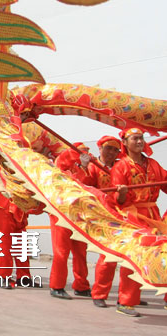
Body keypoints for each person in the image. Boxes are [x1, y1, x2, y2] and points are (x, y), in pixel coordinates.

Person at [105, 128, 167, 317]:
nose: (140, 142)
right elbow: (118, 201)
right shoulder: (121, 167)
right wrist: (121, 194)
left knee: (162, 255)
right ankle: (126, 301)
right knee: (134, 258)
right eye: (135, 139)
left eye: (141, 138)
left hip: (153, 215)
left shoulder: (153, 164)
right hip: (132, 216)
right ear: (125, 142)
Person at [49, 142, 94, 300]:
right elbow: (70, 181)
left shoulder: (88, 168)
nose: (85, 155)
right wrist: (79, 163)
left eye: (86, 152)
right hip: (61, 213)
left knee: (81, 252)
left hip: (80, 216)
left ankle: (81, 285)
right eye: (81, 153)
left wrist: (84, 166)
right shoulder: (60, 167)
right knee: (61, 251)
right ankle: (57, 285)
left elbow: (90, 185)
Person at [89, 134, 122, 309]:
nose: (112, 152)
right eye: (108, 148)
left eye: (116, 149)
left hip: (124, 213)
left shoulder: (121, 166)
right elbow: (85, 186)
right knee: (109, 255)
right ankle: (99, 294)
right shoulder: (92, 166)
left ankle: (128, 297)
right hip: (102, 215)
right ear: (100, 148)